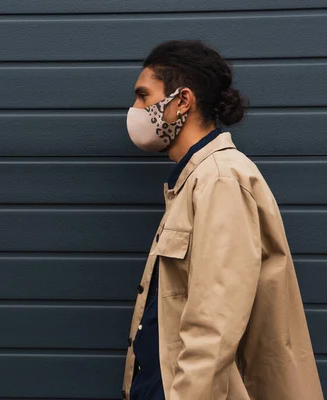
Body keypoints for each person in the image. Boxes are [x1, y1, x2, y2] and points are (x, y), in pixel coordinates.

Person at [122, 40, 323, 399]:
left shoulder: (220, 180)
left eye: (143, 96)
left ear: (182, 101)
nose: (136, 109)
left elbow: (213, 328)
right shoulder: (195, 181)